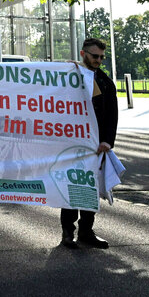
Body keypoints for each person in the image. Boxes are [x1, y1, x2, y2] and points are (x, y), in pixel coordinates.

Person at [61, 38, 117, 249]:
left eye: (102, 57)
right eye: (95, 56)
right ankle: (68, 233)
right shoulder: (69, 75)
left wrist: (107, 141)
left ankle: (86, 231)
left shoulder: (105, 82)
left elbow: (112, 115)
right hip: (72, 143)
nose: (99, 60)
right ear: (84, 54)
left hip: (96, 147)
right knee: (71, 187)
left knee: (90, 189)